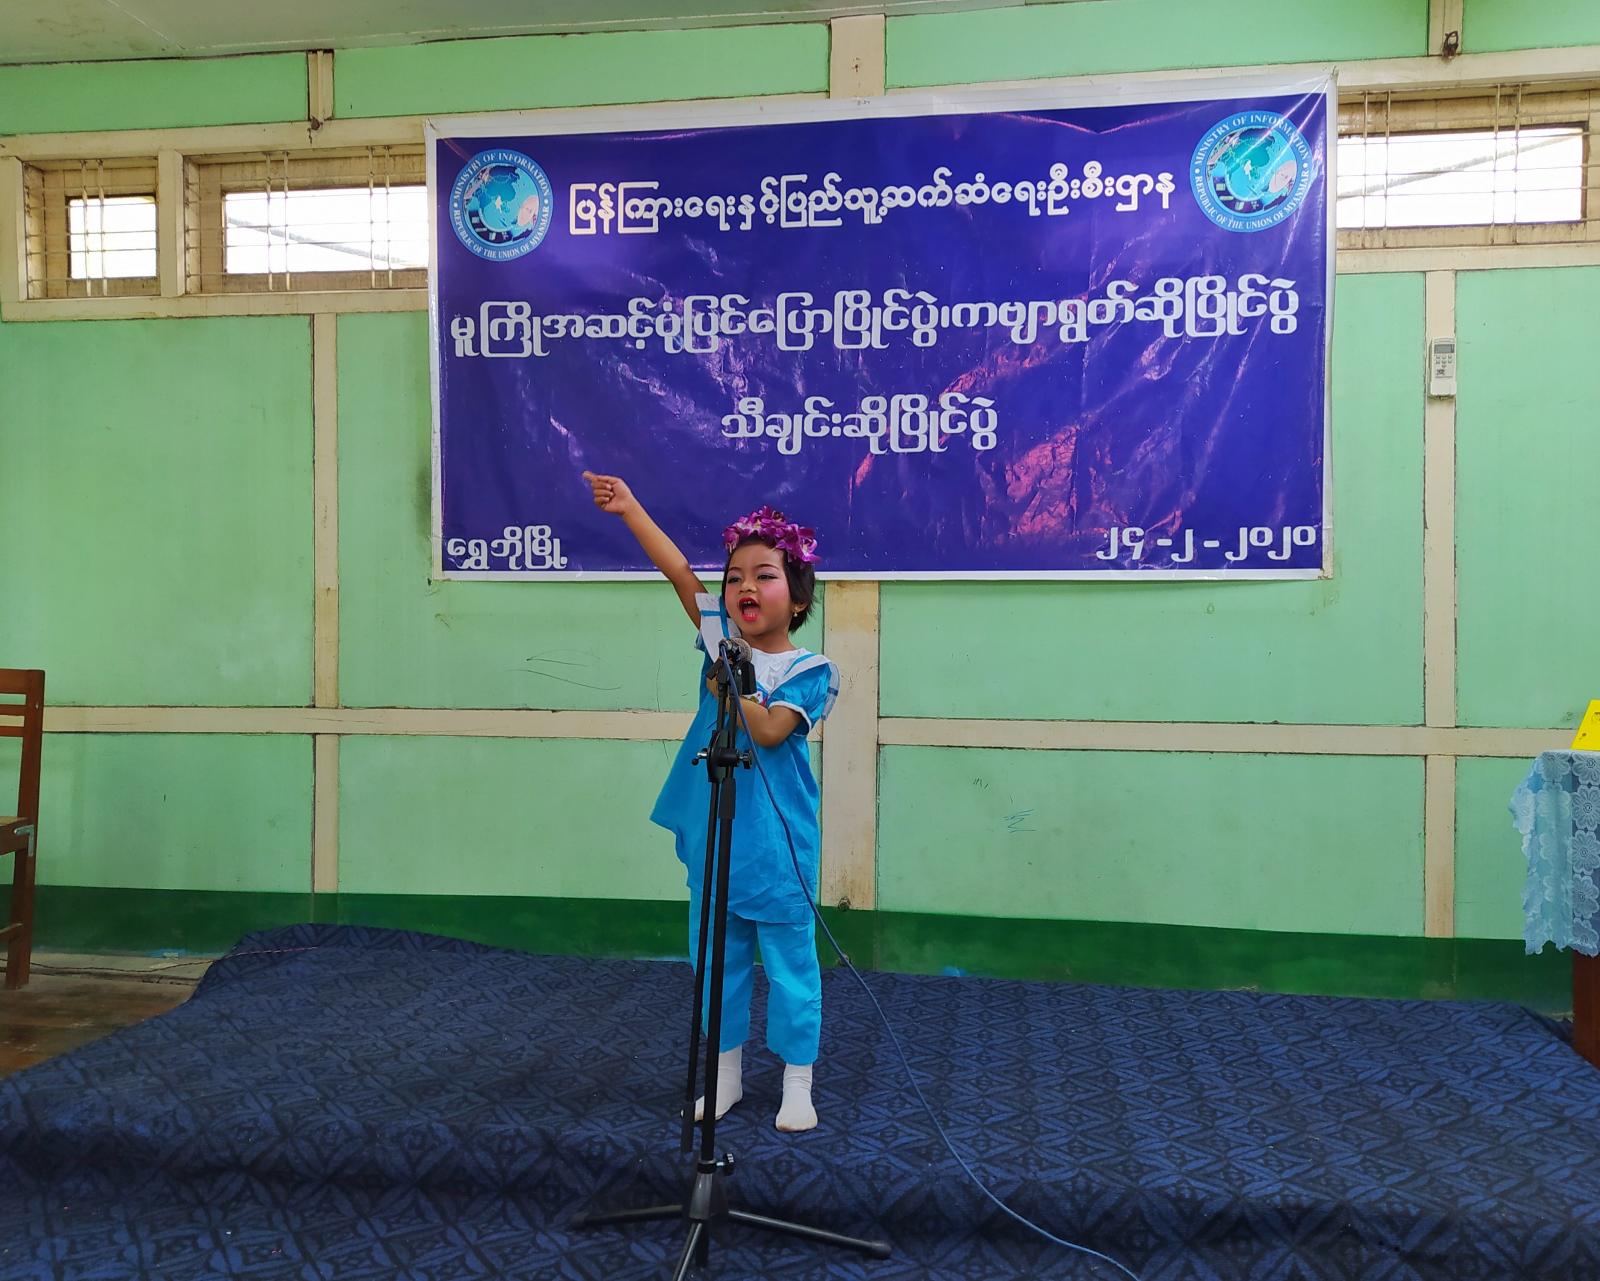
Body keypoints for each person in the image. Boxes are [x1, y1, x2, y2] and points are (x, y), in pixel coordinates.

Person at [583, 471, 838, 1133]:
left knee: (790, 967)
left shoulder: (812, 670)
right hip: (718, 833)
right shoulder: (721, 640)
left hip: (777, 846)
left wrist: (729, 687)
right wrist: (631, 507)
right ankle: (725, 1076)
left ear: (798, 598)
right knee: (717, 960)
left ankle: (797, 1083)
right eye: (734, 577)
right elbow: (677, 572)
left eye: (765, 575)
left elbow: (771, 730)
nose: (745, 586)